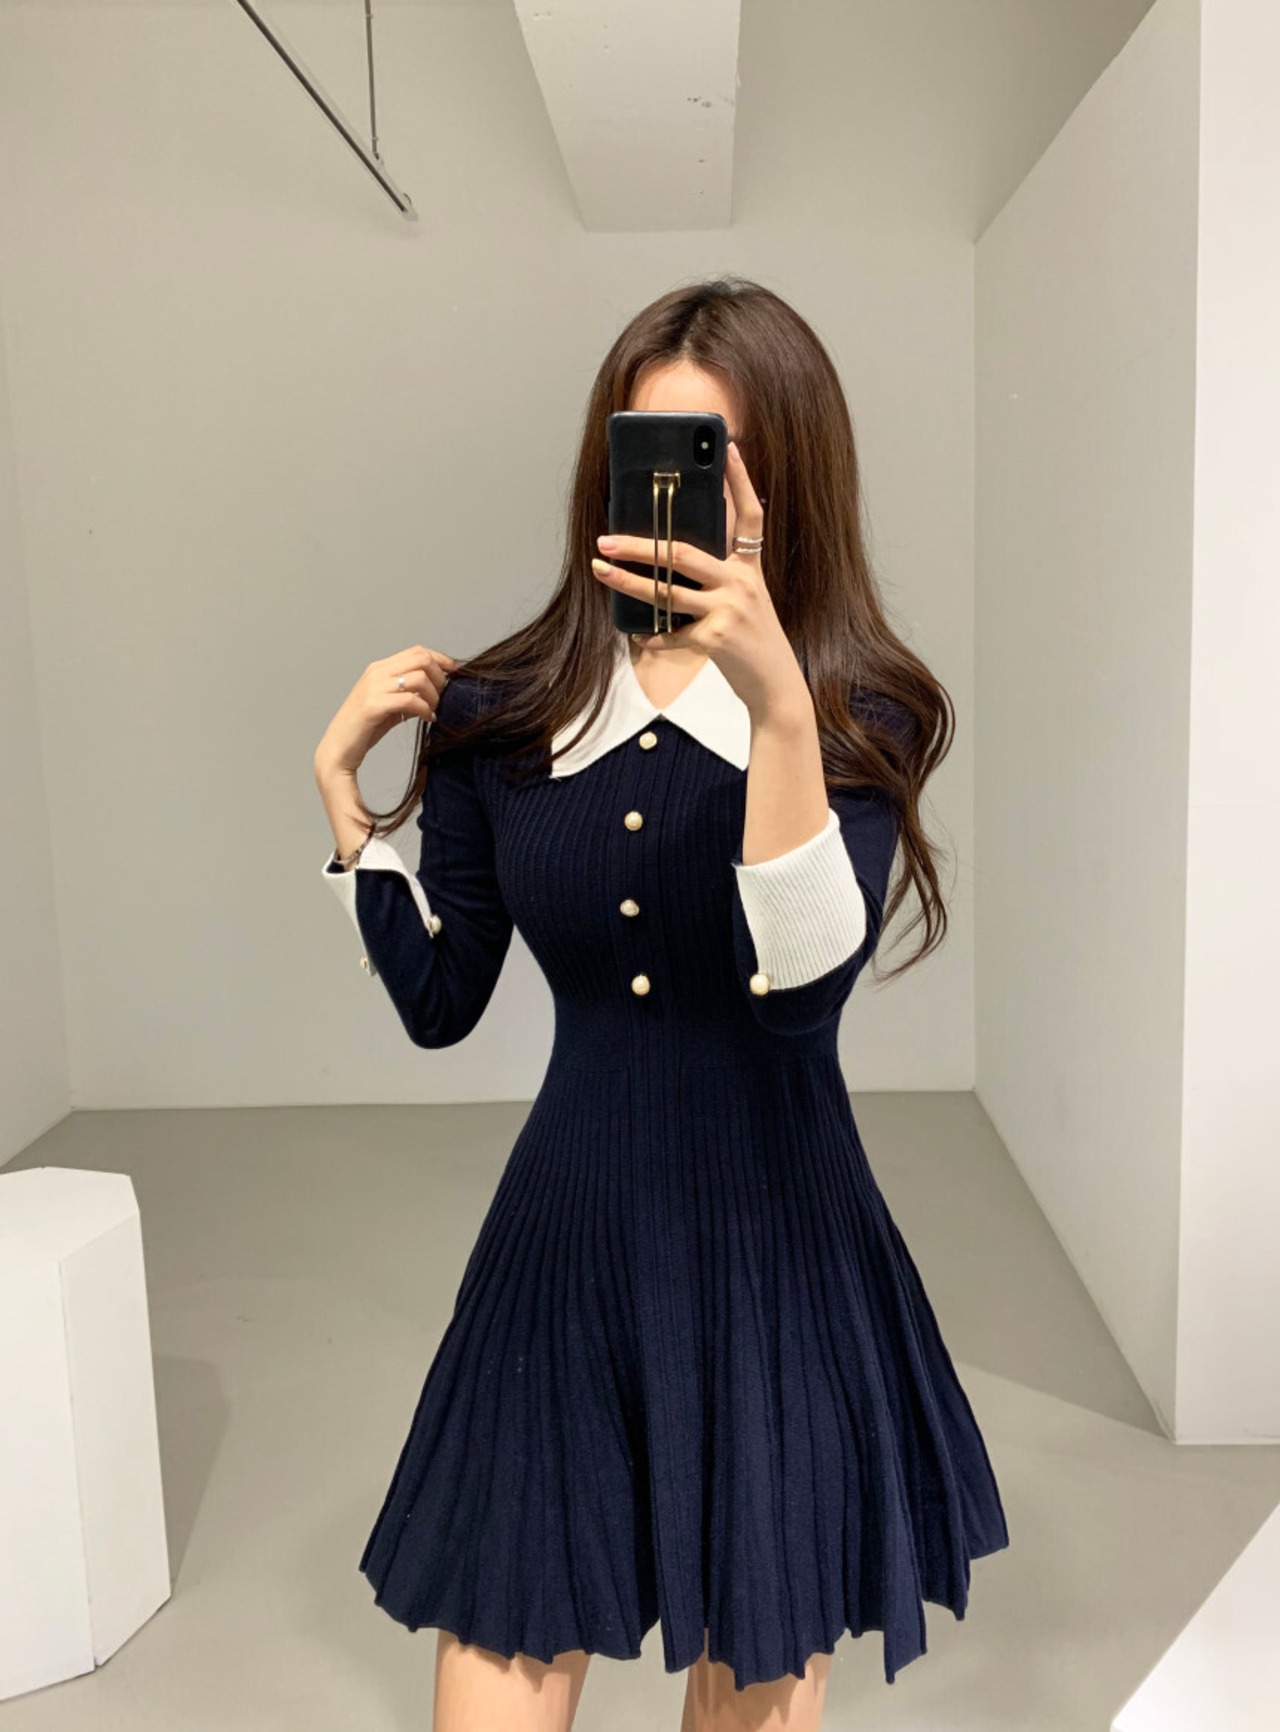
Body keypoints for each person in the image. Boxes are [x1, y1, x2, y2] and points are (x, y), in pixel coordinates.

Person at [313, 276, 1009, 1732]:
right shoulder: (501, 713)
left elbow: (802, 1003)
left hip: (781, 1250)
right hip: (564, 1247)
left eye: (723, 456)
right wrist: (348, 812)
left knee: (751, 1675)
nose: (683, 495)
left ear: (788, 482)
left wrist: (776, 704)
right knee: (498, 1646)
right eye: (654, 450)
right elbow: (441, 1004)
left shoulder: (859, 715)